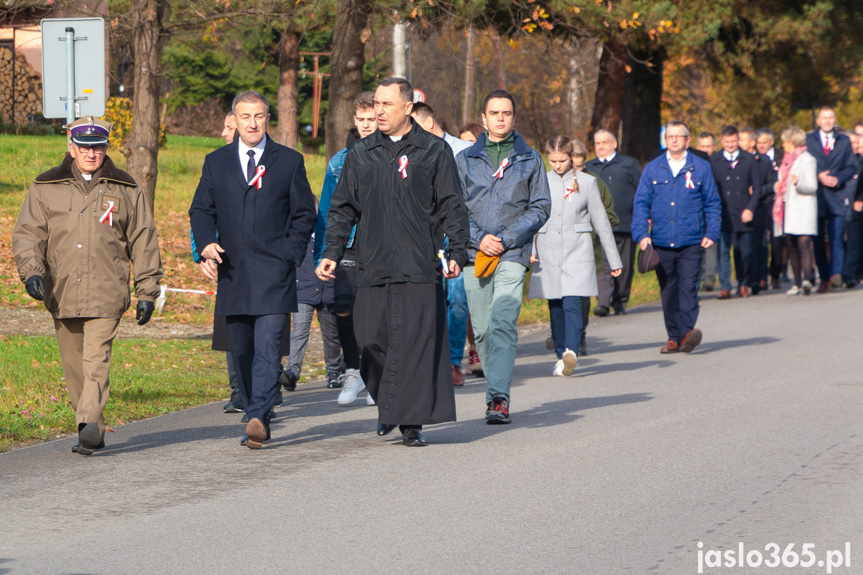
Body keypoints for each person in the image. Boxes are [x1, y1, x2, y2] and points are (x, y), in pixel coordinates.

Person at [316, 77, 470, 447]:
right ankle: (390, 403)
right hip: (373, 263)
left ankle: (410, 422)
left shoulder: (433, 151)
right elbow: (342, 210)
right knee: (370, 341)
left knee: (415, 345)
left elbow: (452, 205)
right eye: (377, 105)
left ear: (407, 108)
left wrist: (458, 252)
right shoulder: (362, 153)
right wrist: (330, 252)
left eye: (386, 105)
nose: (379, 111)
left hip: (419, 266)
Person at [13, 116, 163, 455]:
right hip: (61, 290)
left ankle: (89, 425)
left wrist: (147, 290)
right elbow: (28, 235)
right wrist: (32, 272)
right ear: (71, 146)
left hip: (107, 292)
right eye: (84, 146)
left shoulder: (125, 188)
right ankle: (90, 421)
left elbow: (144, 240)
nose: (91, 153)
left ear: (106, 148)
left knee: (97, 360)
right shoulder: (44, 187)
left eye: (97, 147)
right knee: (73, 365)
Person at [190, 90, 316, 449]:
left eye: (259, 116)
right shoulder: (216, 162)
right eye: (245, 117)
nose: (252, 123)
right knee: (242, 349)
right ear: (235, 120)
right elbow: (201, 210)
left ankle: (259, 415)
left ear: (267, 119)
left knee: (268, 345)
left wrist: (290, 253)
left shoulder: (289, 161)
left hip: (275, 273)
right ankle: (253, 404)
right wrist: (205, 245)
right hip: (233, 273)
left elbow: (305, 213)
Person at [456, 89, 551, 424]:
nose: (500, 118)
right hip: (474, 254)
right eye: (493, 113)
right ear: (483, 118)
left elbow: (540, 206)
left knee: (503, 320)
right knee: (481, 330)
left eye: (506, 113)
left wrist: (506, 239)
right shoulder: (465, 159)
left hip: (513, 253)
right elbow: (452, 209)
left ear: (514, 117)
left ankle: (498, 398)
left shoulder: (530, 159)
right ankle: (494, 387)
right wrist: (480, 240)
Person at [530, 135, 621, 376]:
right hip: (547, 249)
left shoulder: (588, 182)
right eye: (553, 160)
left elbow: (602, 223)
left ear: (572, 158)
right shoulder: (540, 181)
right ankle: (561, 356)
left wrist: (614, 260)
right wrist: (529, 250)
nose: (557, 165)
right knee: (556, 306)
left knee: (573, 303)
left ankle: (571, 351)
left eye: (562, 160)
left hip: (578, 249)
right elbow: (531, 219)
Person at [632, 121, 721, 354]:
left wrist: (712, 232)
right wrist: (641, 234)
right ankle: (674, 337)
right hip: (661, 241)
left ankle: (687, 333)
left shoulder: (701, 167)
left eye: (678, 136)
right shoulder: (653, 168)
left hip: (692, 240)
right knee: (668, 290)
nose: (673, 140)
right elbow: (641, 203)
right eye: (669, 136)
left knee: (689, 287)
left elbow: (712, 202)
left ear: (687, 140)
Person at [313, 91, 377, 404]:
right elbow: (326, 209)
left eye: (371, 119)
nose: (366, 125)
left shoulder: (390, 154)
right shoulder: (339, 161)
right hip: (347, 244)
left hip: (379, 243)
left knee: (375, 309)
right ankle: (352, 371)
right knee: (343, 307)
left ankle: (374, 373)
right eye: (361, 120)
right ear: (354, 120)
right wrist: (323, 253)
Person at [412, 101, 473, 386]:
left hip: (457, 234)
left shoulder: (464, 150)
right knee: (429, 300)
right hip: (426, 236)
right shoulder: (412, 152)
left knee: (458, 299)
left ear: (427, 122)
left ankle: (452, 363)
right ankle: (429, 362)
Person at [285, 197, 344, 393]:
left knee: (331, 334)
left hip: (328, 290)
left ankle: (334, 372)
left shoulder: (328, 235)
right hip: (302, 291)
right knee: (299, 332)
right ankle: (292, 372)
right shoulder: (295, 236)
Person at [586, 129, 642, 316]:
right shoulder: (588, 167)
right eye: (597, 143)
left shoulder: (629, 164)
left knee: (623, 265)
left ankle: (620, 301)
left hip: (625, 223)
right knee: (602, 264)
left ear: (614, 143)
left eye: (605, 142)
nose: (601, 146)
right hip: (597, 226)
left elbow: (641, 191)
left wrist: (644, 215)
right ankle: (603, 301)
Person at [572, 140, 619, 357]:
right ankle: (559, 332)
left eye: (581, 166)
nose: (576, 171)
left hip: (586, 248)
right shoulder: (550, 181)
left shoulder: (594, 182)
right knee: (558, 295)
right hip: (557, 247)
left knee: (581, 295)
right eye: (573, 166)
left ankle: (580, 336)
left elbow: (611, 217)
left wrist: (588, 223)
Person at [805, 107, 857, 292]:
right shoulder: (809, 139)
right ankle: (824, 277)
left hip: (836, 195)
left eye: (831, 118)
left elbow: (851, 167)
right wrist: (817, 175)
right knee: (818, 240)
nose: (827, 121)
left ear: (835, 120)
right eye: (824, 118)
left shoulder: (844, 141)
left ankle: (836, 275)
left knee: (836, 238)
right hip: (816, 197)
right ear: (818, 121)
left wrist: (838, 178)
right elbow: (803, 164)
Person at [710, 125, 762, 299]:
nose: (730, 144)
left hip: (744, 213)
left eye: (733, 141)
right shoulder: (714, 160)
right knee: (723, 251)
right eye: (727, 141)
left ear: (738, 140)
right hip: (722, 213)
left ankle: (743, 283)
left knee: (744, 252)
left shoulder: (748, 159)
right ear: (722, 141)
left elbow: (757, 188)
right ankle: (725, 286)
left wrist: (750, 208)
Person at [774, 127, 818, 295]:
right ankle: (797, 283)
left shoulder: (808, 160)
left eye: (785, 142)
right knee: (791, 244)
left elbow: (812, 186)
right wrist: (776, 186)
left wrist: (798, 182)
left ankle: (807, 280)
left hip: (803, 208)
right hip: (788, 208)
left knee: (804, 243)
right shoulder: (785, 161)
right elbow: (780, 182)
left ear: (792, 143)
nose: (783, 145)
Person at [756, 127, 787, 289]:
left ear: (772, 142)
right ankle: (762, 275)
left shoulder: (782, 157)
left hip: (778, 204)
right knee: (761, 243)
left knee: (777, 243)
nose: (761, 146)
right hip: (761, 203)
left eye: (764, 143)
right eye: (758, 143)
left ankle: (775, 274)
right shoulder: (754, 158)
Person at [695, 131, 719, 291]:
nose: (705, 150)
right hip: (696, 209)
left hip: (711, 208)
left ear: (714, 147)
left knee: (711, 243)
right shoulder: (693, 163)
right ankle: (697, 277)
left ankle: (709, 277)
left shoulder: (717, 163)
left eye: (708, 146)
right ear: (697, 147)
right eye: (702, 146)